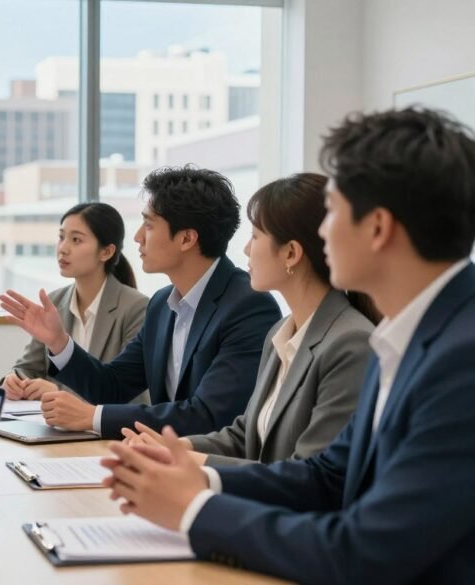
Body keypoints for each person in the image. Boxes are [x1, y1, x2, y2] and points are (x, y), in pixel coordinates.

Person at [102, 108, 475, 584]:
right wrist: (201, 478)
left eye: (334, 211)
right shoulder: (406, 337)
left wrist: (194, 510)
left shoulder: (461, 360)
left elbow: (364, 552)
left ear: (378, 228)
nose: (322, 230)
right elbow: (327, 475)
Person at [1, 166, 281, 439]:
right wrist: (59, 341)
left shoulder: (249, 306)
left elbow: (208, 416)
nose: (137, 237)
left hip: (209, 470)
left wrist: (91, 417)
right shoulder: (162, 304)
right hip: (161, 460)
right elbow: (112, 387)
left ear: (186, 238)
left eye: (148, 225)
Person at [123, 173, 377, 466]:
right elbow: (245, 437)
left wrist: (193, 464)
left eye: (255, 236)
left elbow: (313, 475)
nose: (245, 249)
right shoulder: (280, 334)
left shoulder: (349, 343)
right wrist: (176, 448)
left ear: (291, 253)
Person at [2, 202, 149, 403]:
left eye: (76, 240)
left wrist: (56, 391)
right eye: (61, 237)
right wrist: (14, 380)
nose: (63, 249)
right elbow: (29, 367)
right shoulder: (54, 302)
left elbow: (126, 393)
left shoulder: (136, 307)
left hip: (106, 431)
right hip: (52, 427)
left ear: (106, 252)